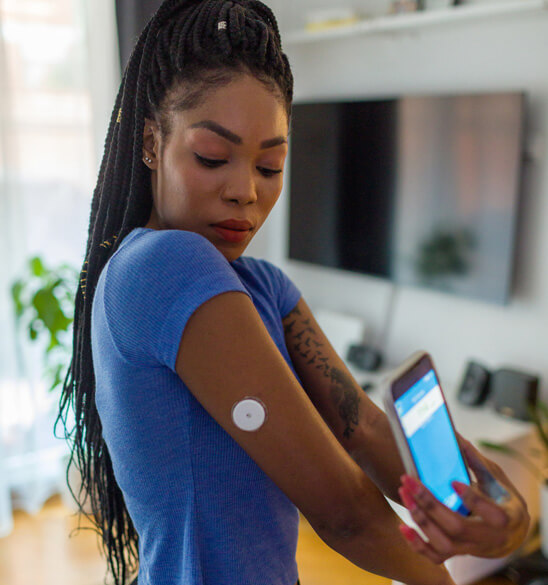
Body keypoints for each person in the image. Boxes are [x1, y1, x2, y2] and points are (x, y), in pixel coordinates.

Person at [56, 1, 529, 584]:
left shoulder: (261, 286)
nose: (244, 192)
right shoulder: (162, 266)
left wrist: (498, 512)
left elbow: (367, 431)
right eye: (212, 157)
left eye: (271, 166)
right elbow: (343, 510)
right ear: (151, 142)